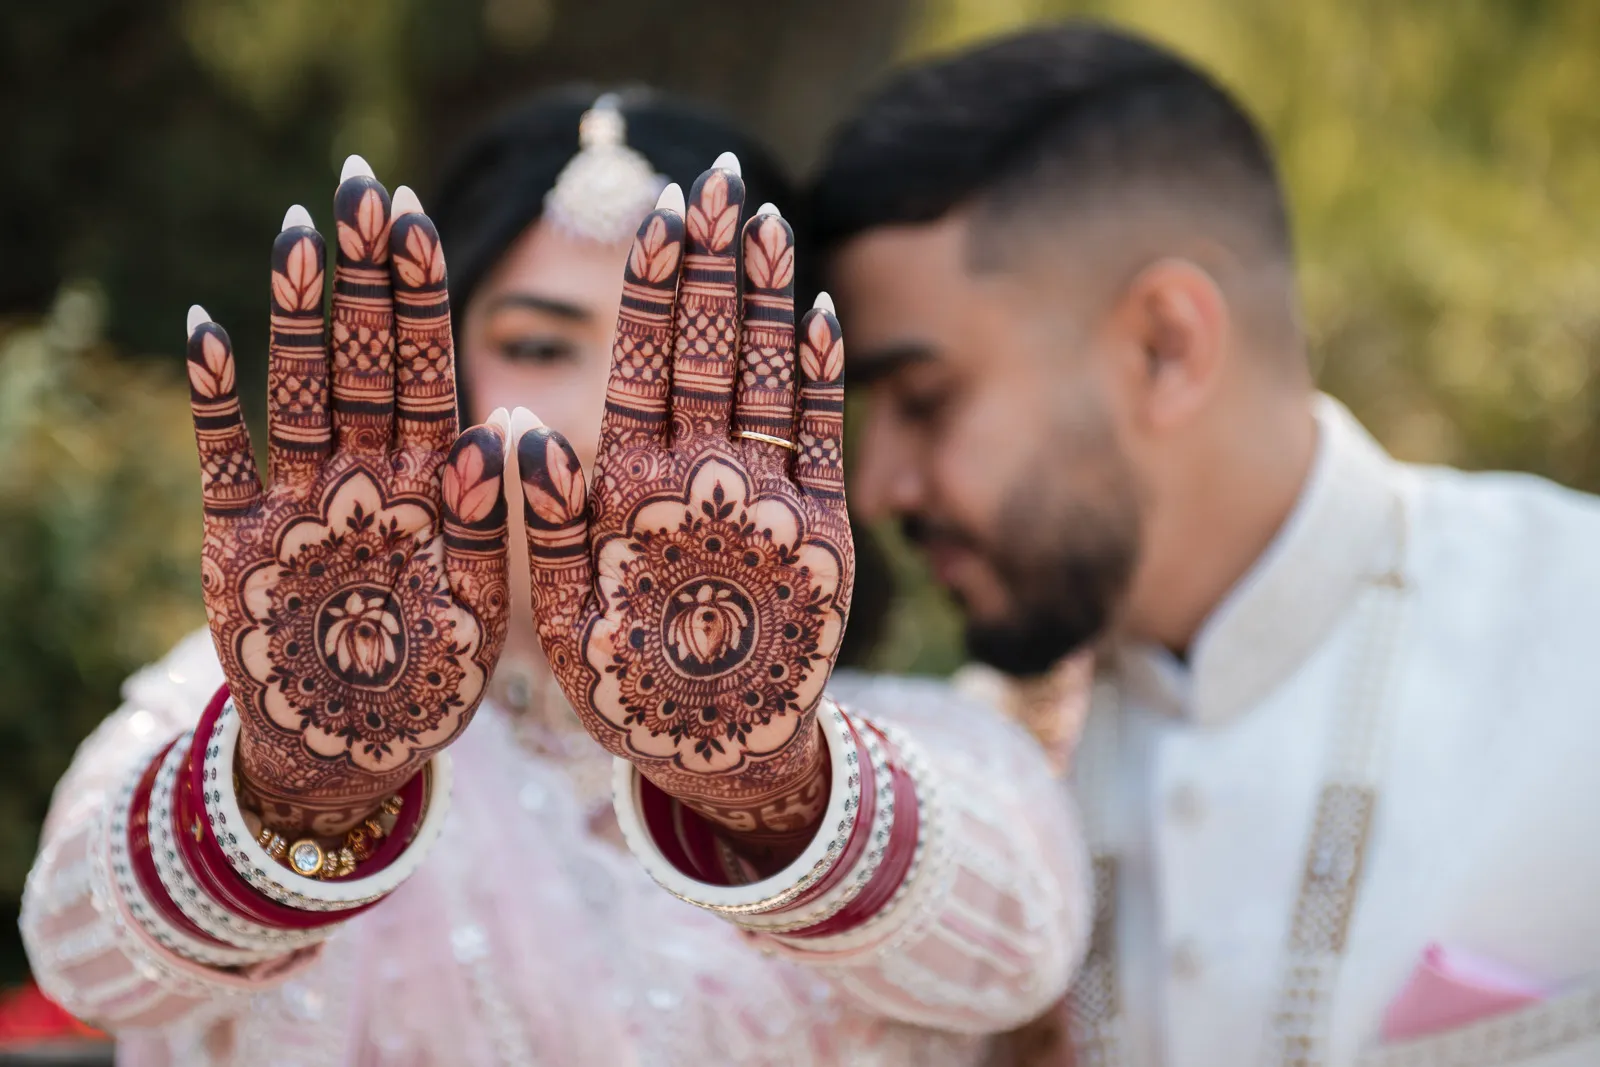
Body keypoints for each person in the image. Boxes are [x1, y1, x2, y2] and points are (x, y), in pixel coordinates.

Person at [20, 87, 1087, 1065]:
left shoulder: (925, 757)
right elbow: (80, 951)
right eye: (538, 346)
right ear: (421, 366)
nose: (595, 425)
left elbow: (1019, 949)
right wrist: (295, 799)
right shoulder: (266, 700)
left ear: (789, 416)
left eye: (665, 364)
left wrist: (773, 793)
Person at [808, 21, 1600, 1067]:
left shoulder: (1575, 627)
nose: (878, 487)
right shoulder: (978, 771)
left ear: (1165, 345)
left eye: (923, 398)